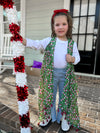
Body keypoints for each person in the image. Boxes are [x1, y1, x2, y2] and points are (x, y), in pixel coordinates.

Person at [22, 9, 80, 131]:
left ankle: (64, 117)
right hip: (51, 74)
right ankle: (49, 116)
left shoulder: (71, 43)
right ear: (53, 26)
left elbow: (78, 58)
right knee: (49, 95)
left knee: (65, 96)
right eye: (57, 24)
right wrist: (24, 41)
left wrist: (72, 58)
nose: (60, 27)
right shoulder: (49, 41)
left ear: (68, 25)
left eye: (64, 24)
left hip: (66, 75)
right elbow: (36, 44)